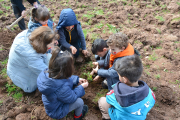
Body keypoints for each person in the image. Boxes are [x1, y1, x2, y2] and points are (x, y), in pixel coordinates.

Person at [37, 47, 89, 120]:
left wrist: (77, 80)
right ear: (66, 70)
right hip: (56, 111)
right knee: (79, 102)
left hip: (53, 103)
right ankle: (78, 116)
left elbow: (65, 79)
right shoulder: (62, 88)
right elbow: (72, 97)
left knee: (70, 88)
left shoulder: (49, 72)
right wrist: (81, 87)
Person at [98, 55, 156, 120]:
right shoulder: (149, 92)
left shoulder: (117, 92)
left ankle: (107, 118)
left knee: (102, 101)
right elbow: (152, 102)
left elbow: (108, 98)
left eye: (118, 75)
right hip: (139, 115)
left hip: (121, 117)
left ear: (124, 79)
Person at [7, 26, 55, 93]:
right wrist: (67, 79)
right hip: (25, 81)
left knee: (50, 57)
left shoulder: (27, 35)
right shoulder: (31, 57)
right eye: (50, 44)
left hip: (17, 68)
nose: (52, 47)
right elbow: (47, 74)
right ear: (42, 44)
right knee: (50, 67)